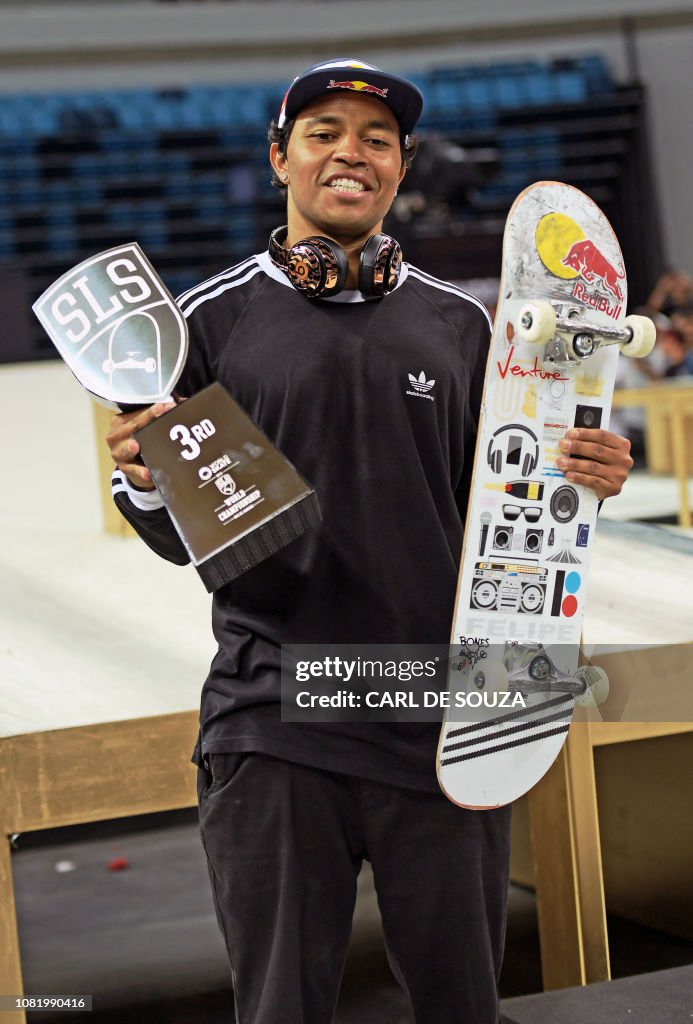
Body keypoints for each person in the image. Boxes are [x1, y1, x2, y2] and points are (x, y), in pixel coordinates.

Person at [106, 59, 634, 1024]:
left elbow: (517, 506)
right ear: (279, 158)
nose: (351, 152)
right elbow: (174, 534)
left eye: (377, 139)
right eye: (322, 133)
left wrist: (584, 478)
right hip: (273, 719)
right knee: (279, 1009)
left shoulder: (466, 326)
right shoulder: (205, 321)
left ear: (400, 171)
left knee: (459, 1005)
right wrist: (146, 487)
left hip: (440, 716)